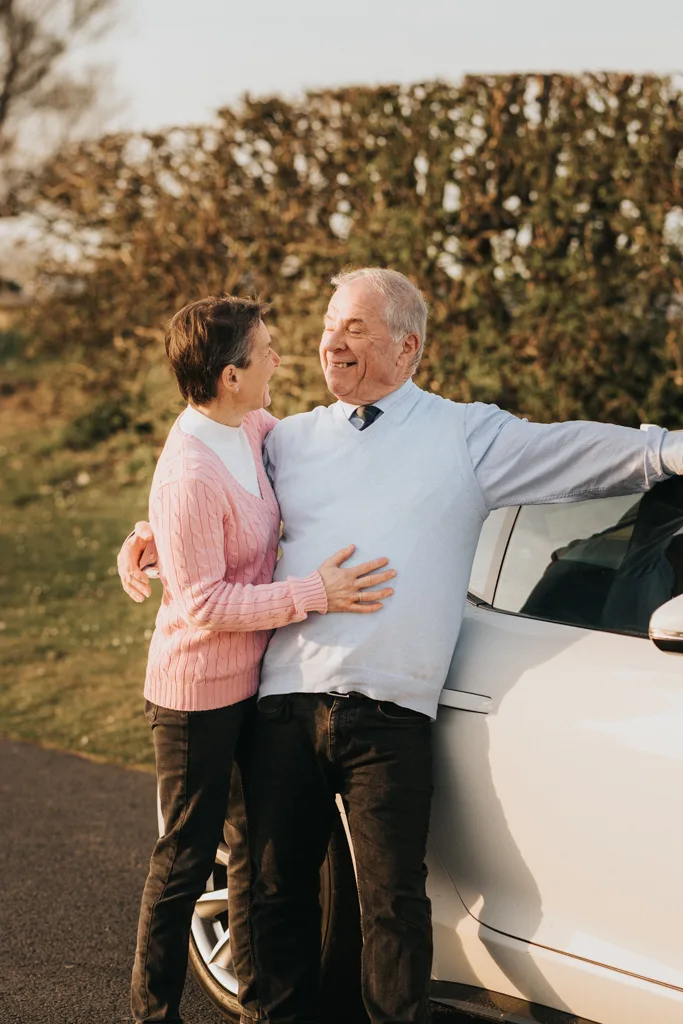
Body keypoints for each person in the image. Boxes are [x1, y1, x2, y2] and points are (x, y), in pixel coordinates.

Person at [119, 267, 683, 1024]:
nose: (330, 340)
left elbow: (576, 452)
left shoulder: (464, 435)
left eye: (354, 327)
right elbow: (208, 486)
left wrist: (667, 450)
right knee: (274, 892)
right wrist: (150, 536)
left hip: (390, 711)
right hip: (284, 702)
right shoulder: (289, 438)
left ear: (406, 347)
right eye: (327, 323)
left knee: (393, 901)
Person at [128, 293, 396, 1024]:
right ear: (227, 376)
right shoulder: (189, 470)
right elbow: (205, 603)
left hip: (251, 682)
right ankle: (152, 1013)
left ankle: (260, 1008)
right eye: (265, 351)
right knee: (184, 860)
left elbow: (307, 462)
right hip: (194, 698)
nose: (280, 357)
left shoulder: (249, 427)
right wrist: (315, 592)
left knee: (249, 853)